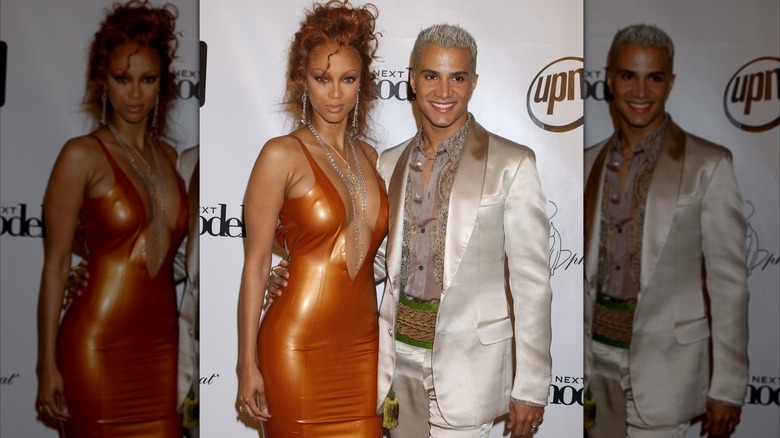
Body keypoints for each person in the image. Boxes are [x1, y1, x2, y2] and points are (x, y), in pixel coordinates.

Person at [271, 23, 553, 437]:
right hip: (395, 362)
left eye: (457, 77)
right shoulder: (387, 163)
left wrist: (530, 387)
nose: (444, 91)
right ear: (412, 81)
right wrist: (301, 276)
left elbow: (532, 284)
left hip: (469, 371)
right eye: (431, 76)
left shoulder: (512, 164)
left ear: (474, 83)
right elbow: (376, 257)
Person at [583, 24, 748, 438]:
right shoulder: (586, 163)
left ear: (670, 83)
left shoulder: (708, 165)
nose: (640, 91)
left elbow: (729, 285)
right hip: (593, 365)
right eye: (628, 76)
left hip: (667, 371)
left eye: (654, 78)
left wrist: (727, 387)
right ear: (609, 80)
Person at [35, 1, 188, 436]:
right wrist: (46, 365)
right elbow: (56, 265)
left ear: (162, 84)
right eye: (123, 79)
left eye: (147, 79)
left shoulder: (170, 158)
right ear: (103, 80)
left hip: (163, 350)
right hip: (96, 344)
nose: (135, 93)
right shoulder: (81, 155)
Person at [234, 1, 387, 436]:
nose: (335, 93)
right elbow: (256, 264)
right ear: (304, 79)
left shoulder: (370, 157)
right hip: (295, 345)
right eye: (322, 78)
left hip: (364, 350)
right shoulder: (280, 155)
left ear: (362, 83)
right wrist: (246, 364)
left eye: (347, 79)